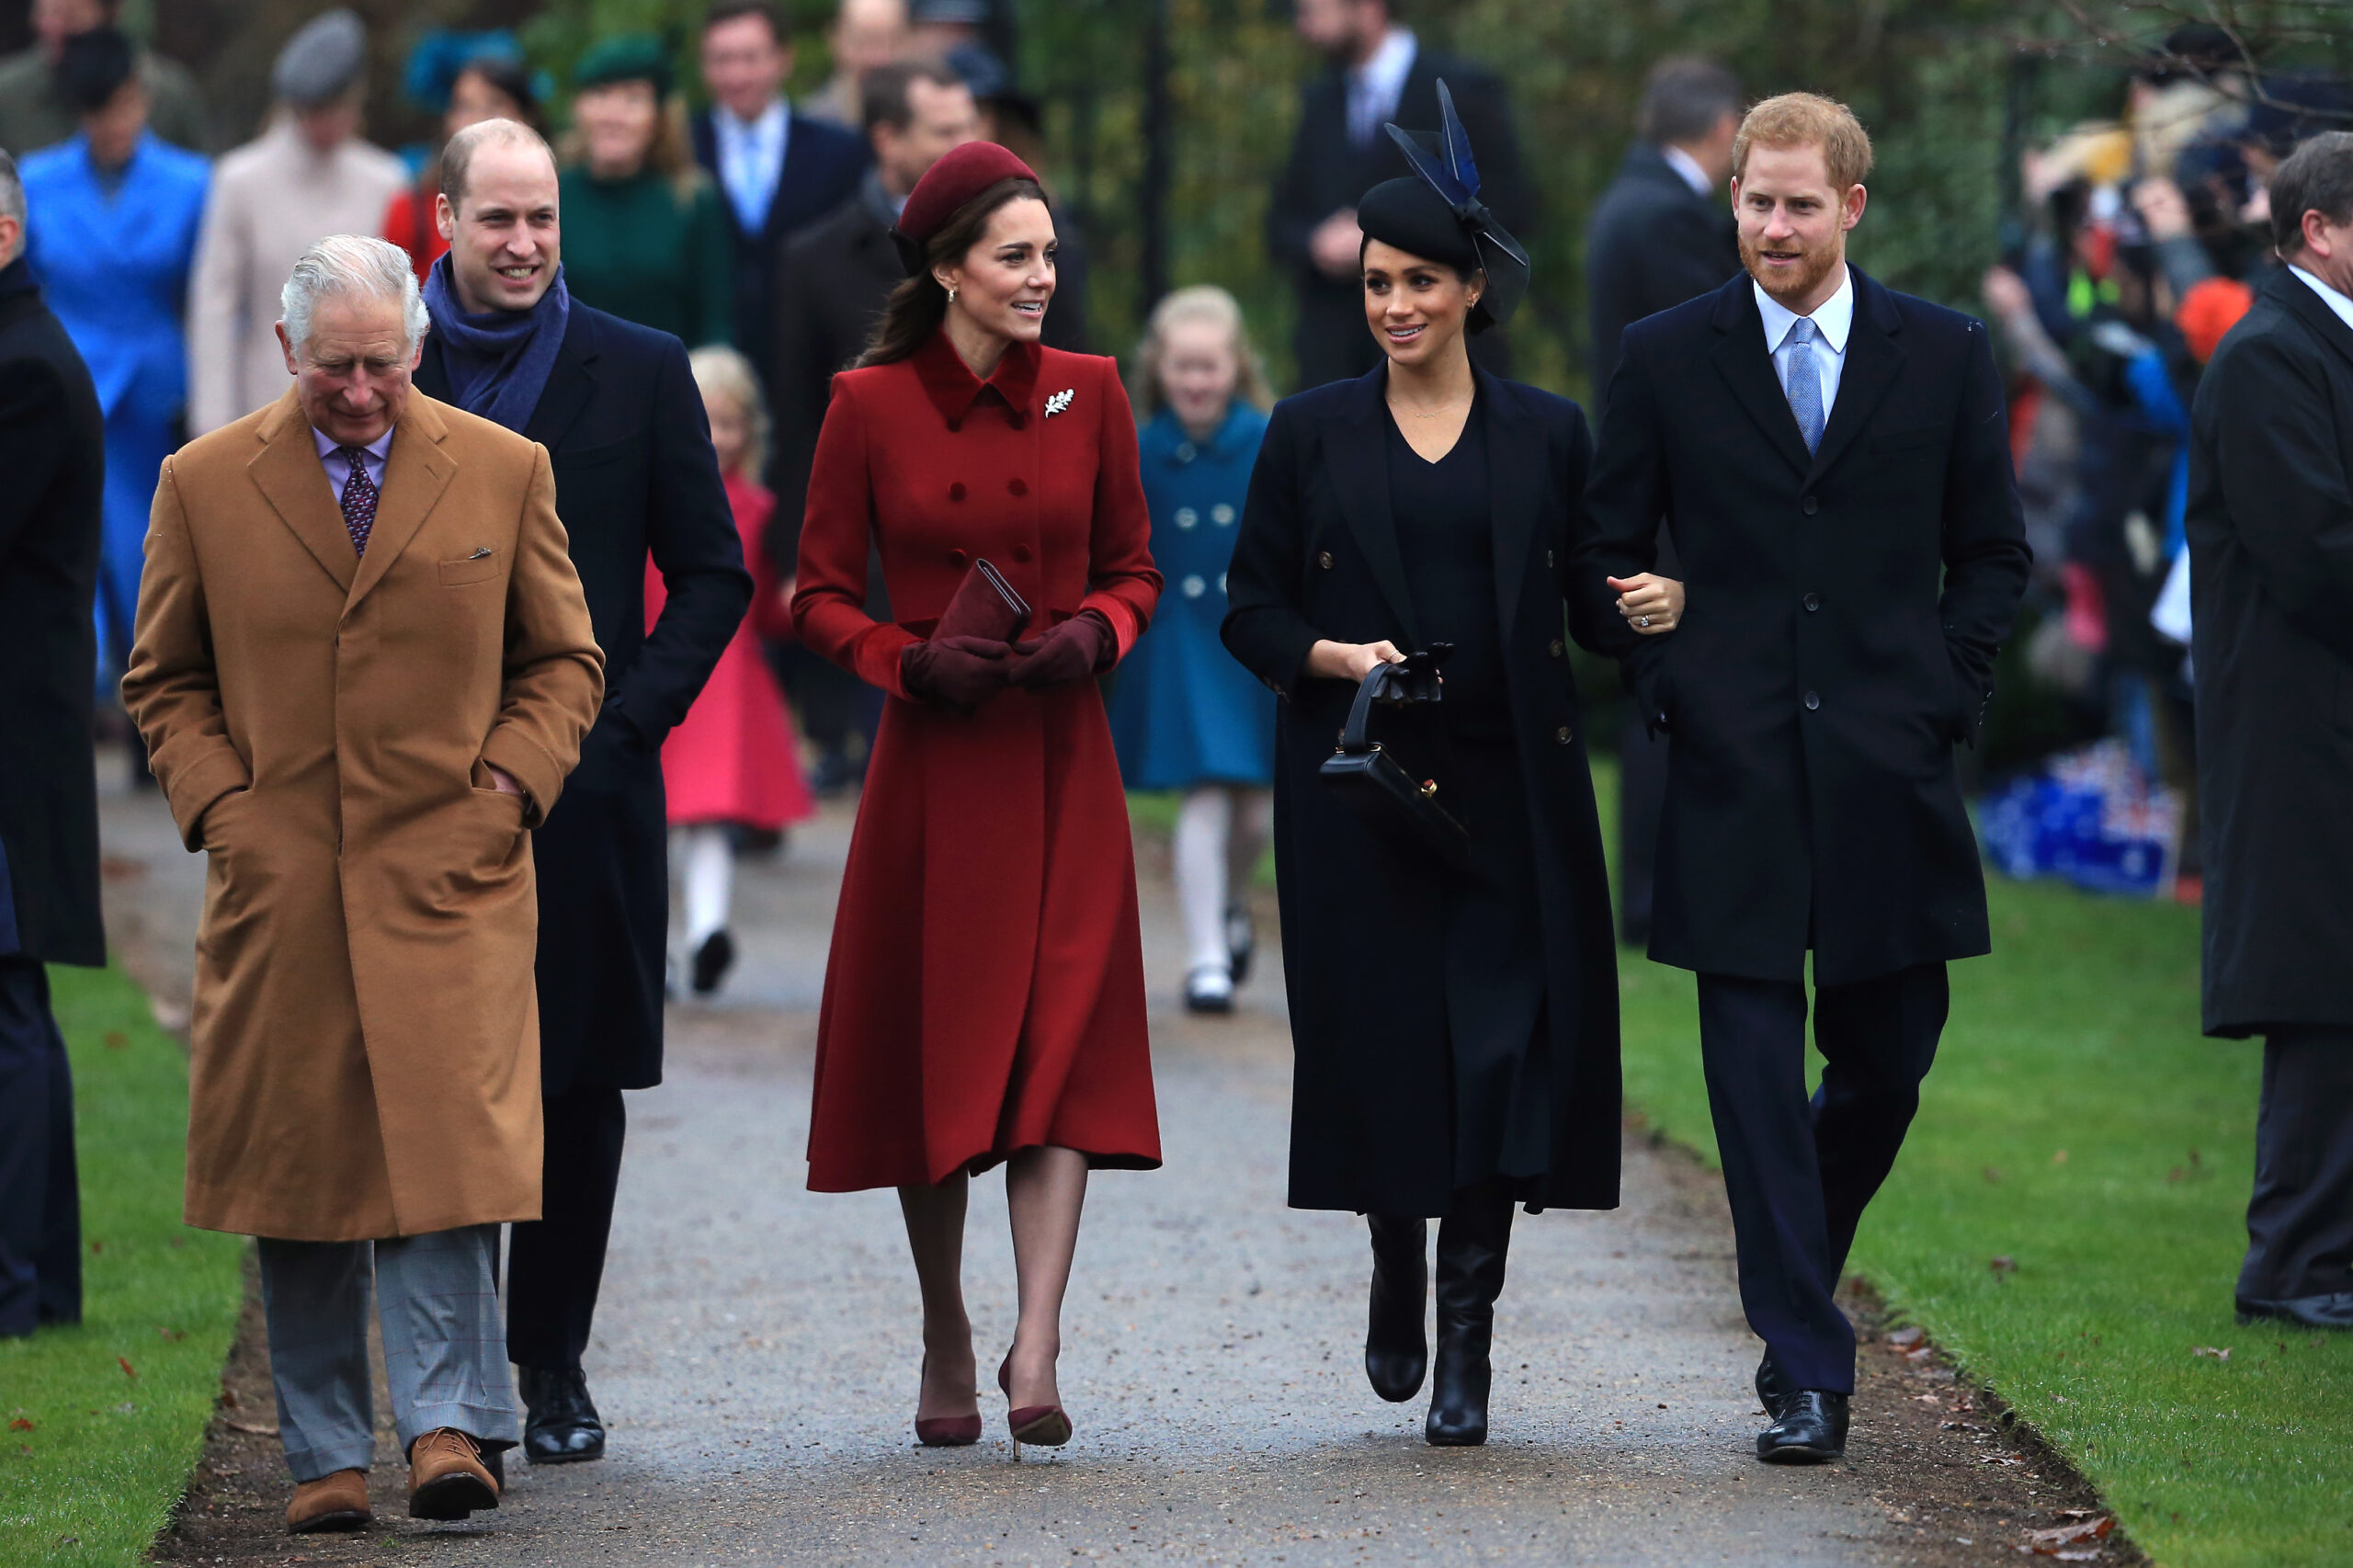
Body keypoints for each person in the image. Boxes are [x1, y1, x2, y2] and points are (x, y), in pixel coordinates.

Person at [1573, 93, 2032, 1463]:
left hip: (1892, 772)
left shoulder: (1945, 354)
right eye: (1754, 202)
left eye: (1798, 203)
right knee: (1756, 1078)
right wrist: (1659, 662)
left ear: (1852, 207)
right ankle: (1808, 1361)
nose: (1774, 226)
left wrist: (1943, 696)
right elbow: (1601, 562)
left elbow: (1992, 552)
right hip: (1732, 773)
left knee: (1887, 1062)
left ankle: (1789, 1270)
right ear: (1732, 202)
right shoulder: (1665, 355)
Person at [120, 234, 604, 1532]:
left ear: (417, 349)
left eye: (384, 364)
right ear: (287, 352)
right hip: (280, 885)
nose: (359, 391)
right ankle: (325, 1450)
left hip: (451, 874)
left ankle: (449, 1424)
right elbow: (163, 677)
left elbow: (564, 661)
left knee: (445, 1157)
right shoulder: (205, 482)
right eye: (334, 366)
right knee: (302, 1166)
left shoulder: (503, 472)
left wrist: (506, 787)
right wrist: (227, 809)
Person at [1223, 90, 1646, 1448]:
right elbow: (1249, 608)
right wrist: (1341, 657)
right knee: (1389, 1053)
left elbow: (1583, 603)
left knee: (1500, 1058)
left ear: (1473, 288)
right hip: (1366, 793)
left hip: (1510, 792)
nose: (1394, 305)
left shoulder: (1549, 433)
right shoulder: (1308, 431)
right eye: (1375, 284)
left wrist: (1649, 604)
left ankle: (1468, 1331)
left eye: (1418, 282)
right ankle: (1396, 1268)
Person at [791, 141, 1162, 1452]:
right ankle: (949, 1325)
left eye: (1049, 254)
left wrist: (1099, 636)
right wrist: (905, 659)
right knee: (942, 1060)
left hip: (1061, 762)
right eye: (1016, 256)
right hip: (936, 770)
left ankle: (1037, 1341)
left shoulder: (1094, 391)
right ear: (949, 269)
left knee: (1060, 1047)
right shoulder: (867, 404)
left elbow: (1134, 567)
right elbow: (816, 591)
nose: (1042, 278)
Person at [414, 118, 751, 1465]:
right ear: (443, 219)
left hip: (588, 791)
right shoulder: (396, 364)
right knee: (440, 1074)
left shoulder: (639, 367)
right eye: (498, 219)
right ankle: (452, 1383)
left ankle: (551, 1362)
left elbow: (714, 571)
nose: (525, 243)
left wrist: (627, 726)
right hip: (422, 786)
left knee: (574, 1080)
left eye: (542, 218)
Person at [2185, 131, 2353, 1333]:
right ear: (2319, 230)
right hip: (2302, 722)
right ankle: (2292, 1263)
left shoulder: (2310, 347)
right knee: (2319, 992)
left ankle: (2317, 1256)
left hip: (2328, 715)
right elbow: (2314, 553)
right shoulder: (2268, 358)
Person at [769, 59, 979, 793]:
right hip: (873, 551)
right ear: (888, 139)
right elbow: (797, 420)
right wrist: (797, 551)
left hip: (993, 536)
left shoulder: (1027, 249)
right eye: (945, 130)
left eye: (969, 125)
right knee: (888, 769)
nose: (967, 143)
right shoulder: (813, 261)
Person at [1584, 56, 1744, 947]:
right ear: (1721, 130)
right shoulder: (1665, 217)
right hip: (1678, 481)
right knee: (1663, 680)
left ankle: (1658, 885)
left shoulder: (1631, 201)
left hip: (1655, 475)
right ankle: (1650, 893)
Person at [18, 28, 209, 686]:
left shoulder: (192, 182)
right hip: (61, 383)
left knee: (150, 550)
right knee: (67, 542)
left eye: (127, 104)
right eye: (102, 112)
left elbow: (203, 295)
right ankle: (84, 683)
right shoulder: (35, 185)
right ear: (79, 112)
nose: (118, 123)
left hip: (157, 394)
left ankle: (152, 689)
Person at [0, 150, 105, 1341]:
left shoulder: (25, 369)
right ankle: (37, 1285)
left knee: (8, 1005)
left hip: (11, 745)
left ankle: (20, 1289)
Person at [1108, 286, 1278, 1015]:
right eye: (1182, 367)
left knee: (1257, 813)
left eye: (1209, 367)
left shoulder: (1270, 439)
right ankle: (1206, 957)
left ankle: (1233, 905)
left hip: (1251, 637)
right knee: (1204, 791)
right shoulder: (1139, 448)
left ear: (1236, 366)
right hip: (1179, 638)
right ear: (1159, 368)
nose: (1196, 382)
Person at [653, 345, 815, 996]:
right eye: (704, 420)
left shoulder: (760, 508)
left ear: (751, 431)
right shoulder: (652, 496)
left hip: (725, 678)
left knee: (708, 820)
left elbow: (768, 608)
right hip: (663, 667)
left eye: (730, 423)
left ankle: (705, 934)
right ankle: (663, 946)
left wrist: (796, 606)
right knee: (658, 822)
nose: (718, 438)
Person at [1267, 0, 1532, 390]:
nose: (1302, 16)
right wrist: (1316, 242)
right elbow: (1280, 223)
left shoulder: (1464, 89)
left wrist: (1386, 239)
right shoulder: (1318, 100)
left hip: (1441, 365)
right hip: (1337, 372)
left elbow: (1509, 209)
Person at [185, 9, 407, 435]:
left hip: (367, 410)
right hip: (266, 407)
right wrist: (212, 426)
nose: (329, 122)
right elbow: (214, 308)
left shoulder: (385, 180)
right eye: (317, 110)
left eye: (339, 107)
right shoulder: (240, 180)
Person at [691, 0, 870, 398]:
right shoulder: (683, 150)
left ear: (783, 58)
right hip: (710, 373)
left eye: (750, 58)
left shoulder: (840, 152)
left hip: (812, 366)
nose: (736, 75)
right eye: (722, 60)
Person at [557, 35, 733, 348]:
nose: (613, 115)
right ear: (579, 107)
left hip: (667, 386)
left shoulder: (691, 200)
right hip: (566, 384)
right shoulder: (550, 195)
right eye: (600, 95)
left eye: (633, 100)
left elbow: (715, 322)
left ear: (660, 117)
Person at [381, 44, 538, 286]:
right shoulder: (412, 209)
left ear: (525, 117)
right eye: (464, 106)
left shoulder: (559, 202)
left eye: (493, 105)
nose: (476, 120)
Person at [0, 0, 205, 157]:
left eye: (70, 17)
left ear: (110, 16)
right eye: (45, 13)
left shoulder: (167, 92)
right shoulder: (8, 95)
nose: (52, 27)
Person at [802, 0, 909, 131]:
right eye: (863, 42)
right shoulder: (813, 124)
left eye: (892, 42)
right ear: (836, 40)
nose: (878, 59)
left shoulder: (929, 123)